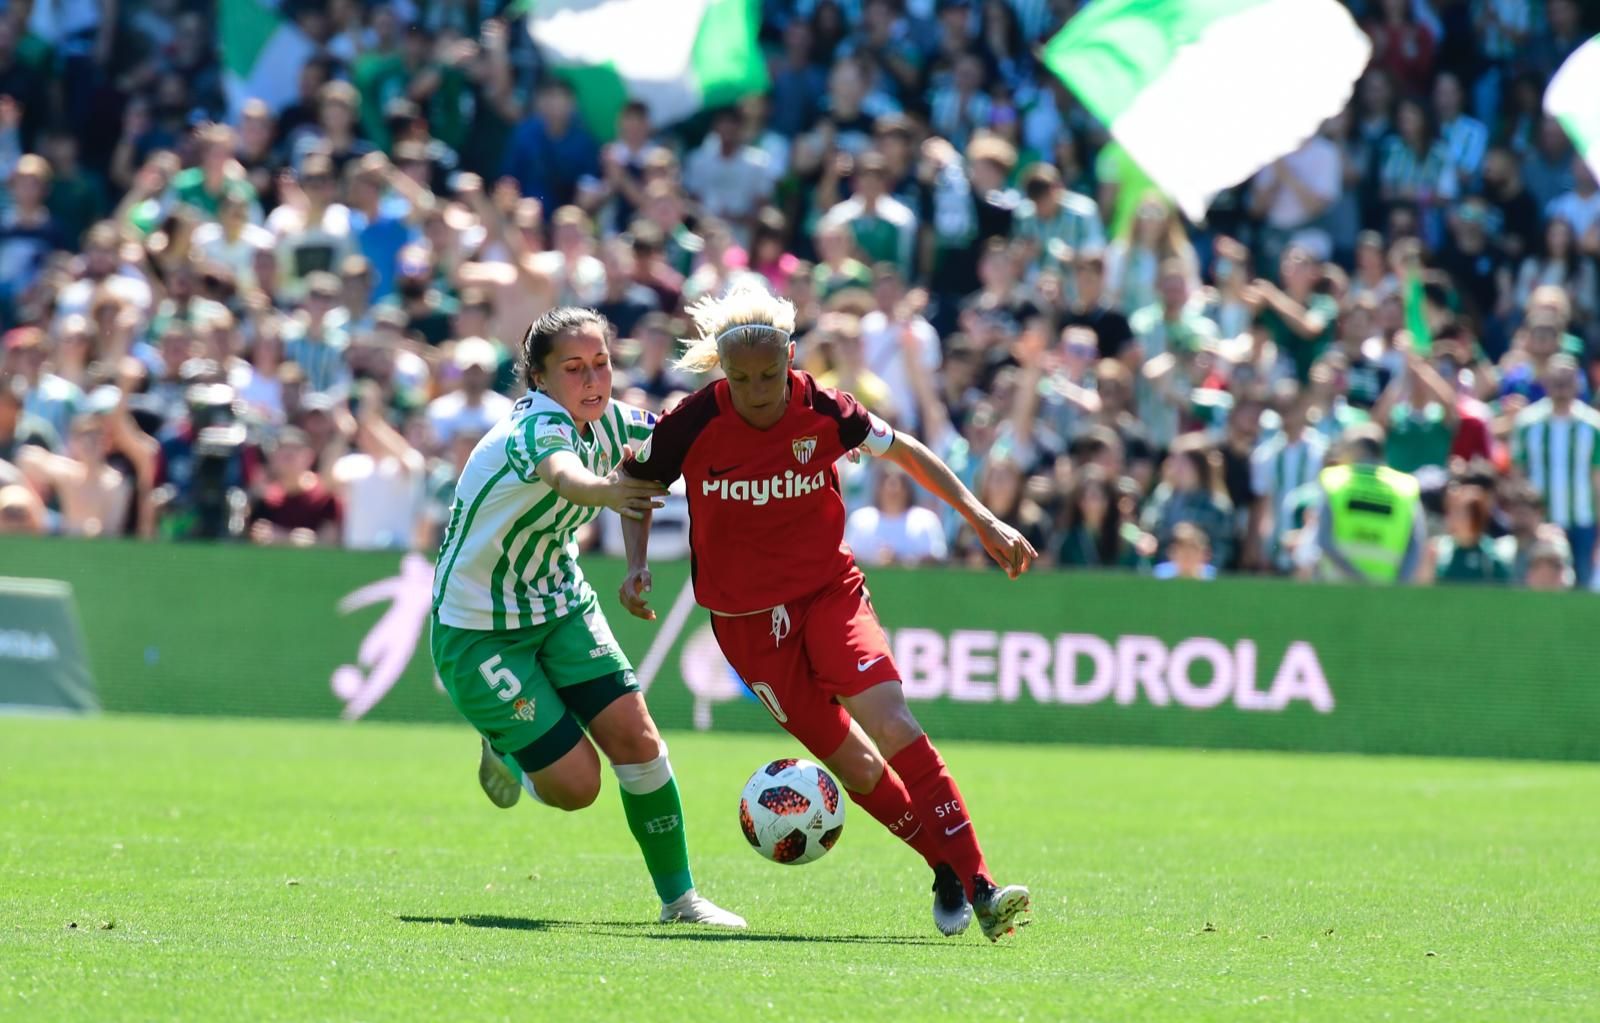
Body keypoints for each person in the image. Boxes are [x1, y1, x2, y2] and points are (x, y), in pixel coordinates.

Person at [616, 284, 1036, 942]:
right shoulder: (694, 420)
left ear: (791, 359)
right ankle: (944, 867)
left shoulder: (825, 407)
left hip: (827, 594)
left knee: (891, 720)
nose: (758, 390)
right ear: (723, 370)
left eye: (770, 375)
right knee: (860, 767)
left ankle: (983, 886)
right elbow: (634, 483)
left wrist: (979, 517)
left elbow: (906, 452)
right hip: (748, 627)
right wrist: (636, 562)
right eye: (744, 378)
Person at [429, 307, 743, 928]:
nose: (593, 378)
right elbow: (565, 476)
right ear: (540, 380)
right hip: (478, 630)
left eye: (600, 363)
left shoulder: (614, 420)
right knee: (578, 788)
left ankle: (681, 902)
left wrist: (635, 563)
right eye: (573, 369)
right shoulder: (534, 426)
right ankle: (506, 744)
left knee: (638, 738)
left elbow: (664, 452)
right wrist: (610, 491)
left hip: (560, 604)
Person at [1295, 424, 1427, 584]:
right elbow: (1416, 546)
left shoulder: (1334, 481)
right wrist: (1397, 588)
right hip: (1384, 595)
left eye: (1343, 448)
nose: (1338, 455)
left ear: (1356, 450)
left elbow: (1323, 540)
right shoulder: (1405, 487)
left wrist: (1359, 581)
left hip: (1336, 591)